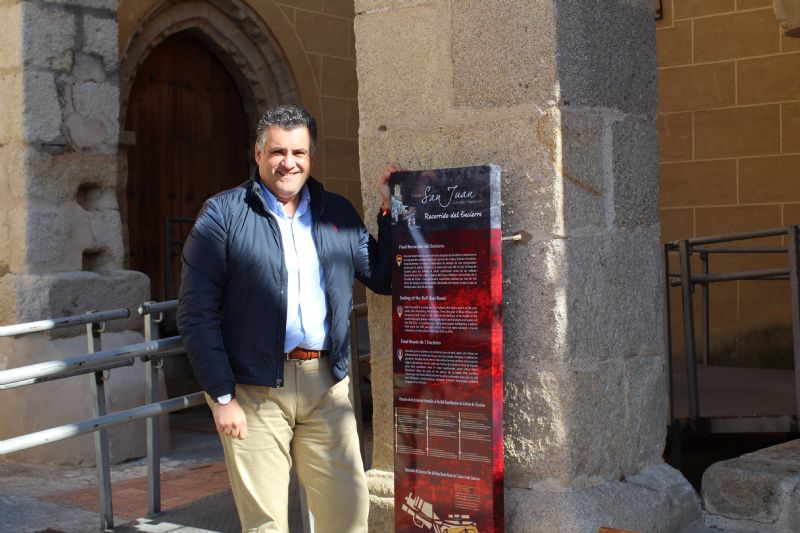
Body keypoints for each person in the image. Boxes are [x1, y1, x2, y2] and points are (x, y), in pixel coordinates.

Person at [177, 104, 395, 532]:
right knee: (266, 525)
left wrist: (389, 213)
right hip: (253, 391)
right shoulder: (223, 215)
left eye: (299, 152)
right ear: (258, 153)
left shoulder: (337, 213)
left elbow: (383, 278)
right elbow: (195, 312)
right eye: (278, 151)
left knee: (348, 515)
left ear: (311, 156)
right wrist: (221, 396)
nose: (288, 163)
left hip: (326, 386)